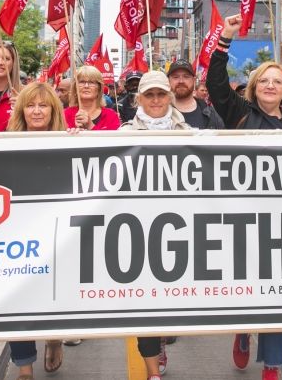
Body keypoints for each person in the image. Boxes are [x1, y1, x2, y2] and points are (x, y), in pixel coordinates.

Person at [206, 15, 282, 380]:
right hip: (244, 220)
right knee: (249, 292)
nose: (270, 86)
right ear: (253, 86)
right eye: (263, 80)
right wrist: (225, 39)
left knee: (277, 296)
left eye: (277, 82)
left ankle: (273, 367)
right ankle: (243, 330)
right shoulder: (239, 115)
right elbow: (216, 85)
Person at [0, 82, 71, 379]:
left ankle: (54, 337)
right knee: (18, 300)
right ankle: (25, 368)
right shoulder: (5, 141)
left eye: (44, 105)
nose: (37, 110)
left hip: (59, 236)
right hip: (18, 237)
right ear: (22, 110)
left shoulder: (69, 141)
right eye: (31, 105)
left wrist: (82, 140)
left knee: (54, 297)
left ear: (54, 110)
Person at [116, 70, 188, 379]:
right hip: (139, 231)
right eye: (149, 95)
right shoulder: (122, 133)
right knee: (144, 304)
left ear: (170, 98)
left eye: (161, 94)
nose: (156, 100)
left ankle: (162, 338)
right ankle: (152, 371)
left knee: (172, 302)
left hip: (181, 229)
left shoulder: (190, 132)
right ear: (138, 99)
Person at [167, 59, 224, 130]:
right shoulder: (159, 113)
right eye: (175, 77)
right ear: (168, 81)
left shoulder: (211, 114)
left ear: (193, 81)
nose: (181, 81)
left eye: (186, 76)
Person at [64, 65, 121, 131]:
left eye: (91, 82)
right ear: (75, 87)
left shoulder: (111, 116)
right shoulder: (64, 115)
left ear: (99, 88)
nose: (86, 86)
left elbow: (112, 140)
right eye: (82, 82)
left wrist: (90, 126)